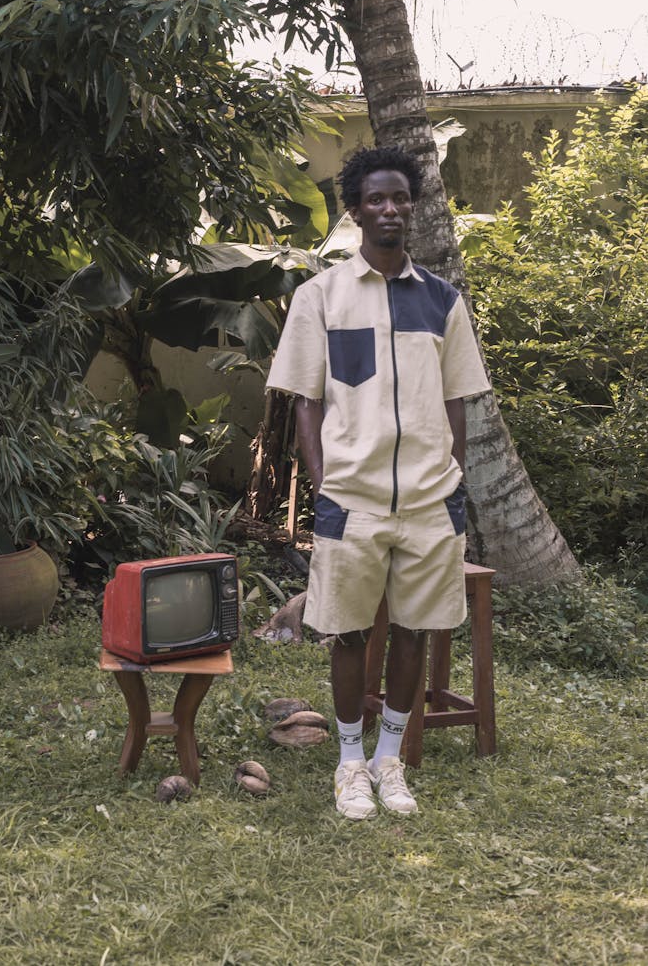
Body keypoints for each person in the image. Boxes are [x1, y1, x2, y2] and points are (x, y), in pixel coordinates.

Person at [266, 146, 490, 820]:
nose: (389, 208)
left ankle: (390, 760)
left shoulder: (443, 301)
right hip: (351, 501)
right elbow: (305, 400)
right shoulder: (321, 297)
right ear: (356, 208)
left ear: (411, 206)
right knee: (348, 632)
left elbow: (457, 398)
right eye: (376, 198)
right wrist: (324, 479)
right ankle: (348, 763)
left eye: (400, 198)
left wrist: (446, 470)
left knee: (414, 631)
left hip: (428, 501)